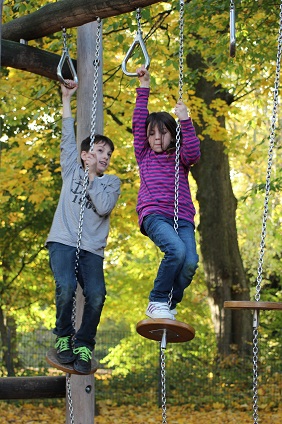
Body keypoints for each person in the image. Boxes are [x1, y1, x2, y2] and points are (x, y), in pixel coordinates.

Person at [46, 80, 121, 374]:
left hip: (91, 249)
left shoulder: (110, 183)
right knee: (65, 287)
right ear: (85, 154)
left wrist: (92, 177)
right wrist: (66, 99)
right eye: (100, 151)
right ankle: (63, 336)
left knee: (97, 294)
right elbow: (66, 137)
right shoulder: (71, 168)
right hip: (63, 241)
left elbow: (103, 207)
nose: (104, 157)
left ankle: (84, 343)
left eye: (108, 155)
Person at [133, 65, 200, 320]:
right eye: (152, 134)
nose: (157, 139)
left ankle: (169, 303)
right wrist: (144, 87)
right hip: (154, 214)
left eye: (162, 133)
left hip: (182, 217)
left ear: (173, 135)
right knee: (176, 251)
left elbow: (194, 151)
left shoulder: (180, 157)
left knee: (190, 262)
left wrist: (185, 119)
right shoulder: (144, 153)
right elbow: (139, 120)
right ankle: (157, 300)